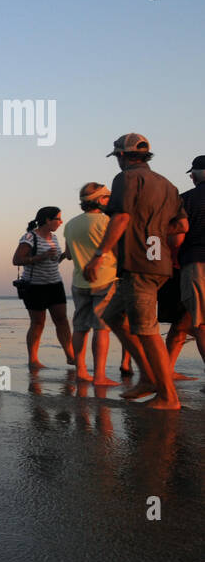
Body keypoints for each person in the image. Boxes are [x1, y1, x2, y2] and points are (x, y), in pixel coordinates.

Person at [83, 133, 188, 410]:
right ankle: (148, 378)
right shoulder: (167, 184)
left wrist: (99, 254)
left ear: (120, 156)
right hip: (160, 263)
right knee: (112, 316)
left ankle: (168, 397)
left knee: (146, 329)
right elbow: (181, 228)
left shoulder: (126, 179)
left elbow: (122, 217)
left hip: (138, 264)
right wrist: (155, 236)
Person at [63, 184, 118, 384]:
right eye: (107, 197)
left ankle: (81, 371)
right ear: (100, 199)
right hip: (106, 278)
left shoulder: (70, 224)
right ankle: (100, 376)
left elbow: (68, 254)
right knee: (101, 328)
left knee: (80, 327)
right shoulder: (108, 221)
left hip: (79, 281)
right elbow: (117, 249)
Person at [12, 206, 75, 370]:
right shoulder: (30, 236)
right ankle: (33, 360)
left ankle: (71, 356)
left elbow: (53, 261)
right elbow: (17, 260)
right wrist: (41, 257)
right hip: (35, 287)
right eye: (58, 218)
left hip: (55, 284)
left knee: (62, 320)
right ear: (48, 220)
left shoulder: (53, 238)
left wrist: (65, 254)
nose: (61, 222)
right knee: (38, 323)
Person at [165, 155, 204, 387]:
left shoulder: (186, 200)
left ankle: (164, 371)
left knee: (199, 323)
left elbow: (176, 237)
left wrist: (172, 259)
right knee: (184, 320)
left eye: (193, 172)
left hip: (196, 264)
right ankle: (166, 370)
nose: (190, 176)